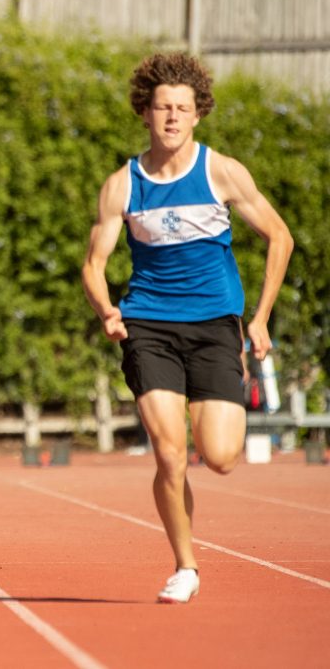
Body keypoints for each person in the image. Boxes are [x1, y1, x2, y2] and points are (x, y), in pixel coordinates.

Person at [81, 52, 293, 603]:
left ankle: (226, 383)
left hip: (215, 326)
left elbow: (280, 237)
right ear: (145, 114)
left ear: (198, 114)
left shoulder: (221, 171)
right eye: (163, 108)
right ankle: (185, 566)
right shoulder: (122, 186)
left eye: (183, 108)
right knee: (170, 452)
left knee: (220, 457)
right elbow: (93, 264)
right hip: (147, 324)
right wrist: (108, 310)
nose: (172, 118)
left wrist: (261, 317)